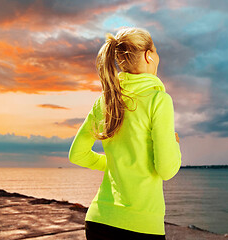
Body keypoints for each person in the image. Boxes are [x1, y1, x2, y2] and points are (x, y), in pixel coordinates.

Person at [68, 26, 182, 240]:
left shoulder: (105, 100)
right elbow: (167, 170)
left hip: (99, 221)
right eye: (156, 51)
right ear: (149, 56)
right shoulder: (159, 100)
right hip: (141, 226)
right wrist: (175, 144)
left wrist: (116, 163)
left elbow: (77, 155)